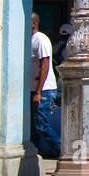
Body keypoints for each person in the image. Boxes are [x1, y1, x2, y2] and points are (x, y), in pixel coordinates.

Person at [29, 13, 61, 158]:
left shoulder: (40, 40)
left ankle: (62, 150)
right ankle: (35, 152)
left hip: (44, 90)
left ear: (34, 24)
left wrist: (38, 92)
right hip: (32, 89)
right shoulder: (29, 40)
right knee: (33, 127)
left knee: (42, 125)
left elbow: (45, 65)